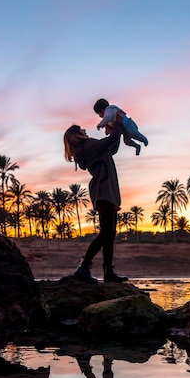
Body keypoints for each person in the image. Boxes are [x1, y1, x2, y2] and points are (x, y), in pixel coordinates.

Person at [63, 121, 129, 283]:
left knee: (110, 234)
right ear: (77, 134)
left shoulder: (87, 148)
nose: (85, 130)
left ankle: (108, 272)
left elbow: (111, 148)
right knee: (106, 233)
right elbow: (109, 141)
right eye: (81, 129)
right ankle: (84, 267)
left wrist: (116, 133)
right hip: (104, 189)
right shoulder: (89, 145)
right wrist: (118, 125)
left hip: (105, 189)